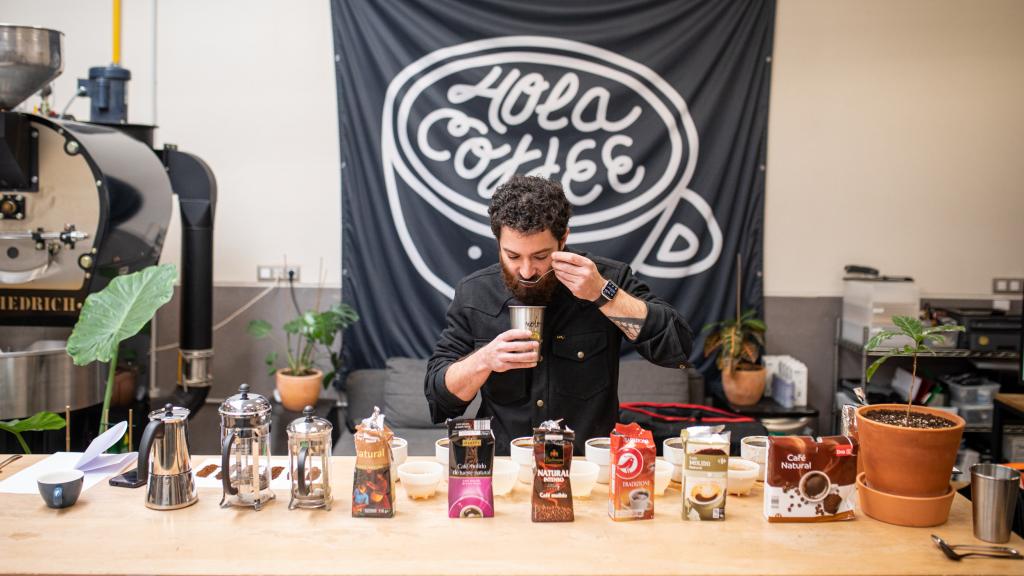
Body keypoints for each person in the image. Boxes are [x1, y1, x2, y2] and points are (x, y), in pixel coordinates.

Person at [424, 175, 693, 454]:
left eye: (541, 257)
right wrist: (484, 360)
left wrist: (603, 293)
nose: (527, 271)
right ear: (498, 242)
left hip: (586, 464)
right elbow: (440, 398)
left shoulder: (605, 279)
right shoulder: (474, 293)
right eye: (513, 256)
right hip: (505, 465)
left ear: (563, 238)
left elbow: (676, 348)